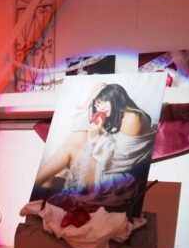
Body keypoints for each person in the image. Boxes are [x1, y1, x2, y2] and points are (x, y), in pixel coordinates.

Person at [32, 82, 156, 214]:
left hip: (117, 179)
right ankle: (45, 179)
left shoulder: (132, 118)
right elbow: (79, 126)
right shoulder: (125, 114)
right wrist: (90, 99)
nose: (100, 108)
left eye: (102, 102)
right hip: (111, 168)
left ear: (114, 96)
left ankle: (37, 183)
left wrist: (95, 136)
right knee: (79, 134)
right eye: (97, 105)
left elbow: (117, 162)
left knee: (71, 149)